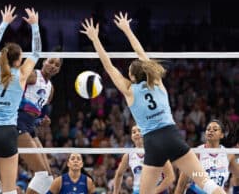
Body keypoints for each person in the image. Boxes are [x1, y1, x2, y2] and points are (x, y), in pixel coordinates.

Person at [80, 12, 226, 194]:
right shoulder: (157, 82)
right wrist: (127, 29)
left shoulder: (129, 90)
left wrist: (95, 39)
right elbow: (141, 53)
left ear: (132, 76)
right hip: (172, 137)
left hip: (152, 143)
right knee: (205, 181)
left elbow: (108, 66)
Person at [0, 5, 41, 194]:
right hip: (7, 133)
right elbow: (36, 52)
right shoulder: (21, 75)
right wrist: (35, 26)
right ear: (18, 60)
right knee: (10, 190)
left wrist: (4, 23)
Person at [17, 47, 62, 194]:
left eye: (57, 65)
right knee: (42, 175)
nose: (53, 66)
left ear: (59, 70)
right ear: (44, 62)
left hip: (30, 126)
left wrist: (41, 121)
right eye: (51, 62)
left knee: (48, 178)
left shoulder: (51, 89)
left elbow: (36, 113)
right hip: (17, 121)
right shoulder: (33, 75)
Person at [174, 119, 239, 194]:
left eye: (215, 129)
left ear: (222, 135)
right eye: (208, 129)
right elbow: (181, 184)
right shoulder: (196, 153)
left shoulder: (228, 155)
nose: (210, 131)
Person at [113, 126, 175, 194]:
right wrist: (115, 192)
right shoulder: (128, 155)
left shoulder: (158, 151)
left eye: (140, 131)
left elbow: (170, 177)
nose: (137, 133)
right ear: (131, 137)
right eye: (134, 132)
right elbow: (119, 174)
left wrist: (154, 191)